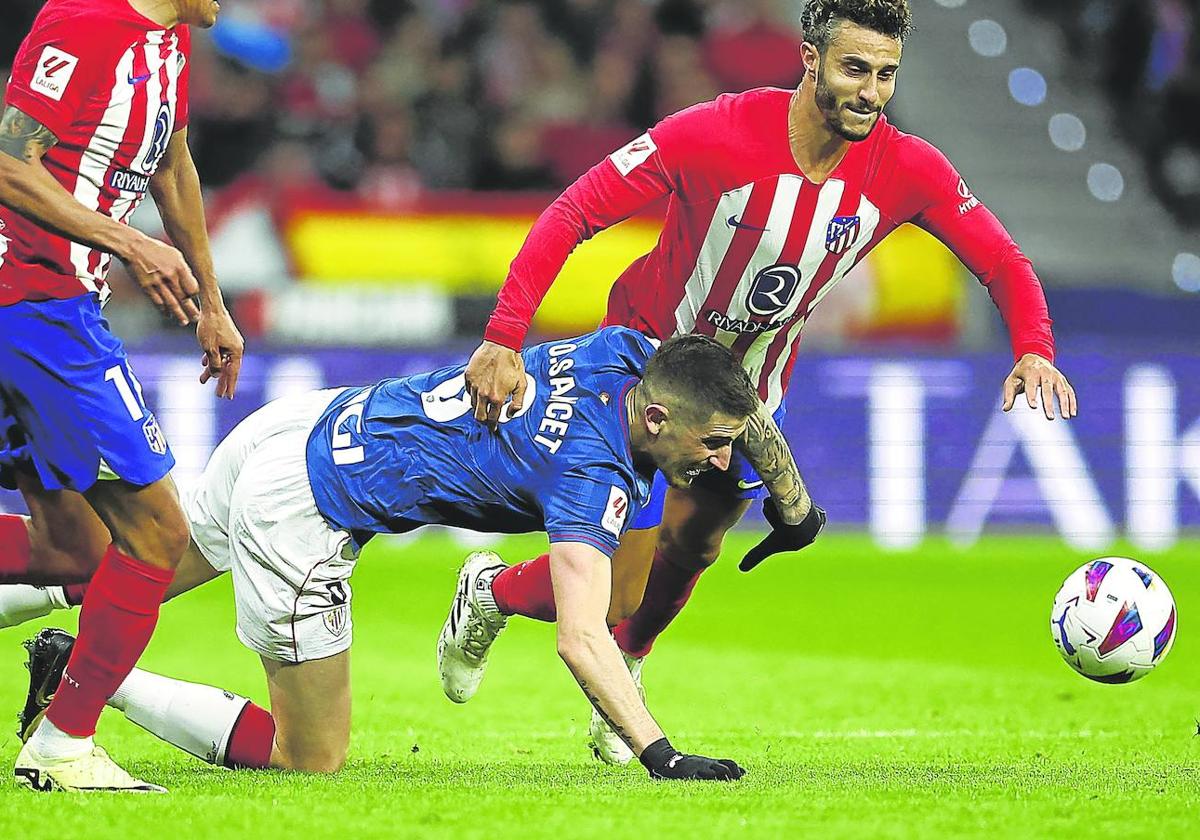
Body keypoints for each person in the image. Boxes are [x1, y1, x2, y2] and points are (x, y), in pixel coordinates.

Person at [453, 0, 1079, 765]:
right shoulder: (713, 133)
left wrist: (1034, 346)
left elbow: (1002, 260)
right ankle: (490, 593)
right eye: (854, 69)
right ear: (810, 59)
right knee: (617, 587)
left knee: (699, 542)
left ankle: (631, 665)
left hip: (747, 393)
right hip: (645, 377)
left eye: (886, 75)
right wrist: (503, 336)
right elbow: (578, 208)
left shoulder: (907, 167)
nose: (871, 91)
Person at [14, 328, 763, 782]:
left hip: (303, 420)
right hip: (303, 505)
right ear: (658, 418)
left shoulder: (626, 355)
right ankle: (85, 678)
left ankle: (73, 655)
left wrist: (787, 492)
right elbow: (581, 636)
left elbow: (706, 386)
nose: (724, 461)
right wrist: (660, 754)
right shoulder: (587, 473)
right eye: (714, 443)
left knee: (121, 568)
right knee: (309, 755)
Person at [0, 0, 243, 792]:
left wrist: (211, 297)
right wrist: (129, 239)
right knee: (157, 532)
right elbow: (8, 159)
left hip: (52, 310)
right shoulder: (81, 20)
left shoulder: (168, 40)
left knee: (73, 552)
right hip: (34, 306)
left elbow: (170, 164)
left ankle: (64, 739)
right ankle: (64, 743)